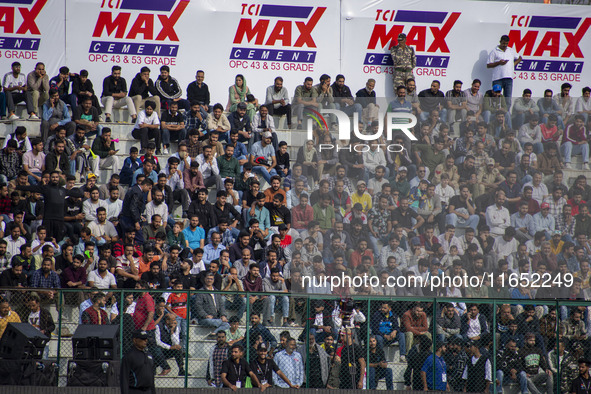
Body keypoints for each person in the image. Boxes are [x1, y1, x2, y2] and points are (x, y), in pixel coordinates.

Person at [487, 35, 522, 107]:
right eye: (503, 43)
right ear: (500, 42)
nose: (505, 45)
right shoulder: (494, 51)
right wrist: (499, 63)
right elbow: (488, 65)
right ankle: (496, 116)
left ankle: (506, 116)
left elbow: (519, 57)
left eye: (506, 44)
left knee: (508, 99)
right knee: (496, 99)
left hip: (508, 78)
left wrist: (513, 65)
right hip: (497, 78)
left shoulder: (511, 50)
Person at [120, 329, 156, 394]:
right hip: (135, 390)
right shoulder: (129, 356)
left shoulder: (149, 354)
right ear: (135, 340)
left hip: (148, 390)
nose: (145, 341)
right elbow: (124, 378)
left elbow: (151, 376)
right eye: (142, 339)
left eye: (146, 339)